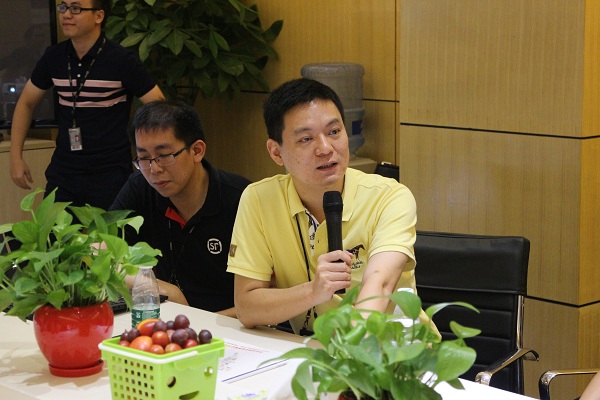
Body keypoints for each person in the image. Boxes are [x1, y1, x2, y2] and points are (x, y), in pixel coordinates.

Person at [227, 78, 422, 334]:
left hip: (394, 351)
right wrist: (313, 291)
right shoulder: (259, 199)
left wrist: (349, 351)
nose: (325, 148)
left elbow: (380, 286)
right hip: (315, 350)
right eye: (306, 139)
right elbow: (247, 308)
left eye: (334, 132)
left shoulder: (389, 197)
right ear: (276, 152)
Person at [9, 0, 164, 210]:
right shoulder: (54, 57)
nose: (66, 14)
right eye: (63, 7)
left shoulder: (121, 59)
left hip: (109, 173)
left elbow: (159, 107)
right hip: (64, 170)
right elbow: (26, 103)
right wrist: (15, 157)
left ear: (98, 16)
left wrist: (151, 157)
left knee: (109, 232)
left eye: (76, 8)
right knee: (55, 231)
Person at [110, 100, 251, 317]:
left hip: (230, 326)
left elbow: (264, 296)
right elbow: (96, 252)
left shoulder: (243, 199)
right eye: (144, 158)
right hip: (166, 323)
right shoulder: (140, 187)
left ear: (197, 151)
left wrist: (198, 321)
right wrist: (157, 286)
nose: (154, 169)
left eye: (164, 156)